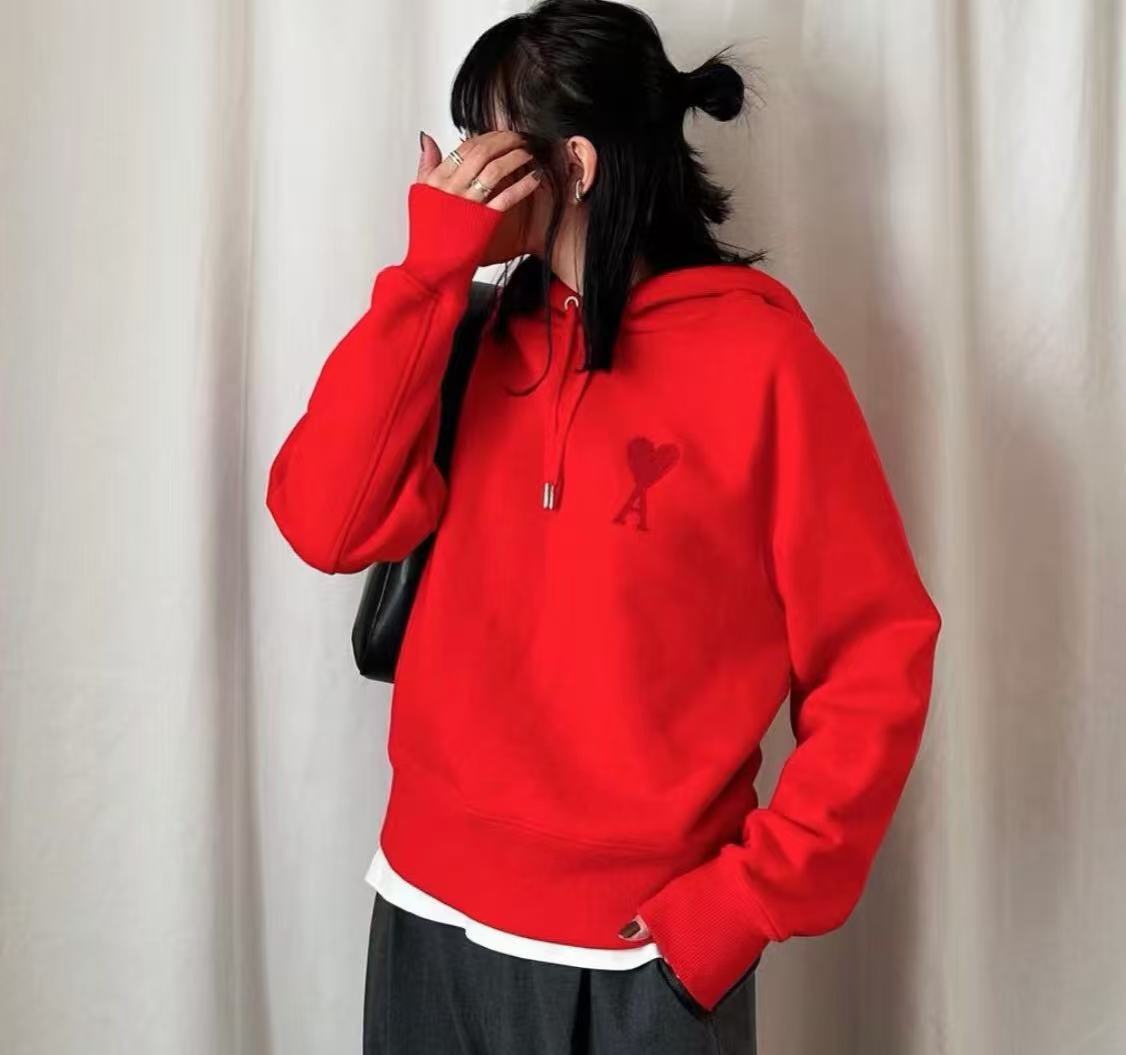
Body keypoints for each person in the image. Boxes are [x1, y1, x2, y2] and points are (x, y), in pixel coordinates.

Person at [264, 2, 943, 1052]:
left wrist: (749, 898)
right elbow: (324, 522)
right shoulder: (461, 336)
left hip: (640, 957)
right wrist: (426, 274)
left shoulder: (765, 365)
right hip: (425, 913)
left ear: (572, 166)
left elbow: (876, 654)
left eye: (484, 139)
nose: (454, 171)